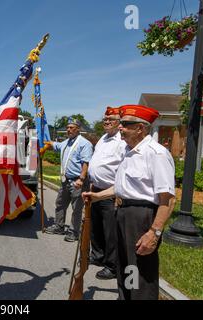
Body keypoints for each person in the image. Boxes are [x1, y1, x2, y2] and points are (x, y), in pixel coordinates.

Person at [83, 104, 175, 300]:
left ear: (140, 128)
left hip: (142, 216)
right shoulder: (128, 150)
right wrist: (97, 196)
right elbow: (122, 187)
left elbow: (168, 199)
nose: (121, 128)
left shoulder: (155, 153)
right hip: (123, 211)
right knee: (126, 266)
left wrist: (154, 233)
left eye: (125, 124)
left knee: (140, 271)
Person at [87, 107, 126, 280]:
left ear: (119, 122)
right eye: (105, 119)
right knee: (95, 227)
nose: (107, 121)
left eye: (111, 119)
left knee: (110, 231)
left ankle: (112, 265)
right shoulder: (103, 138)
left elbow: (124, 167)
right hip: (95, 189)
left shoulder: (122, 141)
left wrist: (119, 194)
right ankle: (98, 255)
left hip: (111, 192)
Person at [41, 118, 93, 242]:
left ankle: (73, 232)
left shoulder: (84, 143)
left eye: (71, 127)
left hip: (77, 181)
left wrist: (81, 178)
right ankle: (59, 226)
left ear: (78, 129)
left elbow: (86, 162)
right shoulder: (66, 142)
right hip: (66, 181)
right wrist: (46, 144)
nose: (68, 130)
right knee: (60, 204)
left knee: (76, 208)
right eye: (67, 127)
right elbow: (56, 145)